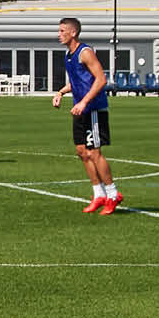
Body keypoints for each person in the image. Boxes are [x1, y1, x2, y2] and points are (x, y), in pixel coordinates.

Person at [52, 17, 121, 214]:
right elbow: (77, 82)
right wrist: (60, 92)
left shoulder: (85, 52)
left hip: (93, 109)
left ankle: (113, 194)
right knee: (82, 151)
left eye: (62, 30)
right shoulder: (68, 56)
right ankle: (98, 194)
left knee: (94, 152)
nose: (59, 34)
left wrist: (84, 102)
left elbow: (101, 79)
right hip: (79, 109)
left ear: (73, 33)